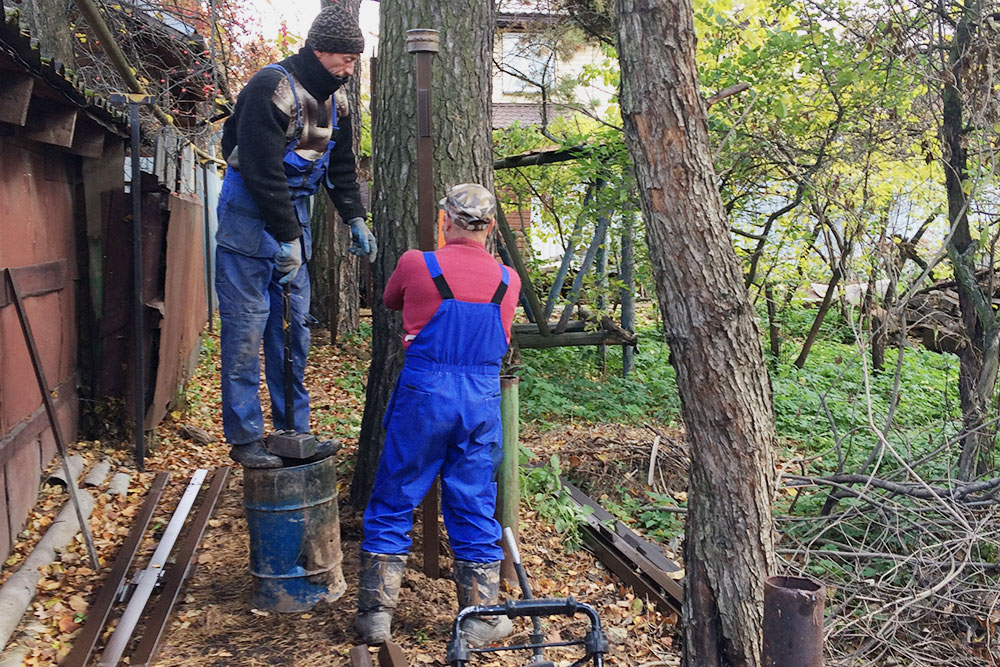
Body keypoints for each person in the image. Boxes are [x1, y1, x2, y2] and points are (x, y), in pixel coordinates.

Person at [355, 184, 521, 647]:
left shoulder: (416, 263)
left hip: (425, 394)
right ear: (490, 228)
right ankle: (481, 616)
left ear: (444, 221)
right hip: (480, 401)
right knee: (472, 500)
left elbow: (390, 300)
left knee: (395, 494)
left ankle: (375, 616)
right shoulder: (509, 279)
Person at [215, 4, 377, 468]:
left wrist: (354, 217)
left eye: (354, 60)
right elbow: (262, 170)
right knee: (246, 330)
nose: (349, 69)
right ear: (319, 49)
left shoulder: (337, 101)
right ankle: (245, 438)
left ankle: (293, 433)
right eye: (345, 59)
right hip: (249, 222)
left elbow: (341, 167)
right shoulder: (273, 87)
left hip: (293, 222)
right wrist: (284, 236)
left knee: (292, 334)